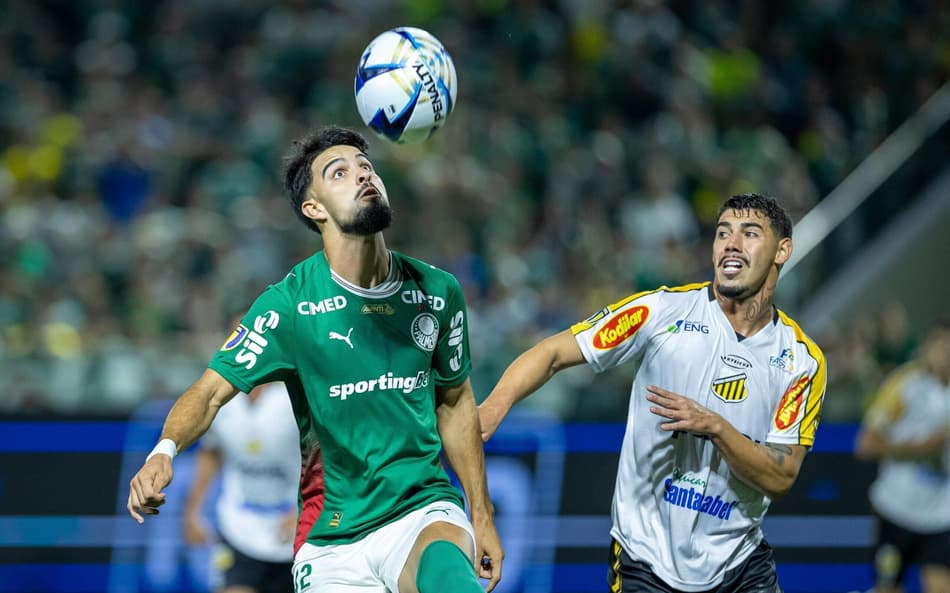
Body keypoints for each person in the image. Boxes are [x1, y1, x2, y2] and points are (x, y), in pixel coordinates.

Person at [127, 125, 504, 593]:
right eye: (339, 172)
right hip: (332, 539)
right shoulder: (289, 305)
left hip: (422, 511)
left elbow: (455, 400)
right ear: (314, 208)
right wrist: (163, 452)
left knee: (450, 580)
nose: (363, 175)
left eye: (366, 167)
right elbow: (208, 393)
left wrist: (481, 515)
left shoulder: (437, 291)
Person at [480, 193, 827, 593]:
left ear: (783, 250)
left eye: (749, 234)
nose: (731, 244)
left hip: (740, 565)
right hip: (645, 561)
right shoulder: (661, 312)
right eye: (722, 233)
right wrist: (493, 406)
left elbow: (781, 477)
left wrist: (716, 427)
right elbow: (554, 352)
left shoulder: (800, 362)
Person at [855, 321, 950, 593]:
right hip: (896, 509)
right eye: (941, 345)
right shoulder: (904, 384)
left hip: (942, 514)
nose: (945, 353)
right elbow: (865, 444)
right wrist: (918, 449)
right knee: (889, 587)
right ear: (927, 347)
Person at [182, 381, 300, 593]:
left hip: (297, 533)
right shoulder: (220, 399)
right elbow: (211, 452)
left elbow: (327, 456)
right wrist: (192, 512)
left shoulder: (296, 395)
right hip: (238, 528)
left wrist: (303, 507)